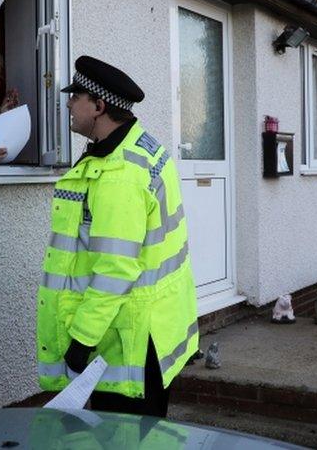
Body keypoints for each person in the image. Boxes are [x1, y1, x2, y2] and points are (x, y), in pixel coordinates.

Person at [36, 56, 198, 418]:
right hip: (151, 331)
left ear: (99, 105)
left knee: (127, 440)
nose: (68, 104)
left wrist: (81, 339)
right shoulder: (137, 149)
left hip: (128, 343)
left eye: (75, 96)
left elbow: (115, 269)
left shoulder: (119, 176)